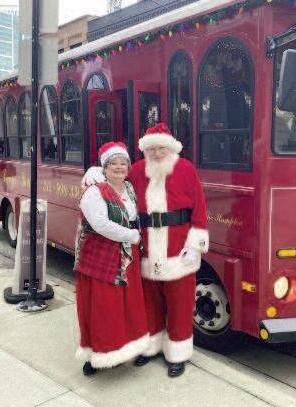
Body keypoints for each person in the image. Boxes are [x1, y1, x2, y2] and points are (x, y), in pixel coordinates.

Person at [82, 123, 209, 377]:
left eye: (161, 148)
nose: (157, 153)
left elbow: (200, 208)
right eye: (151, 149)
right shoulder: (137, 170)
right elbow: (115, 178)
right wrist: (95, 171)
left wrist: (196, 246)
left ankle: (177, 353)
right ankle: (151, 347)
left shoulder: (186, 168)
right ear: (145, 150)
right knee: (149, 303)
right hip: (146, 249)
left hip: (179, 249)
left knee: (180, 303)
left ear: (171, 147)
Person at [74, 141, 149, 376]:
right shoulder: (94, 191)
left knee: (127, 306)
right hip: (102, 257)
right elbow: (100, 224)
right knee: (103, 308)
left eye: (123, 163)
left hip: (127, 257)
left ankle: (122, 348)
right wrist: (132, 235)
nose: (119, 167)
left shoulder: (129, 188)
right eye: (113, 163)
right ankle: (96, 354)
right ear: (104, 167)